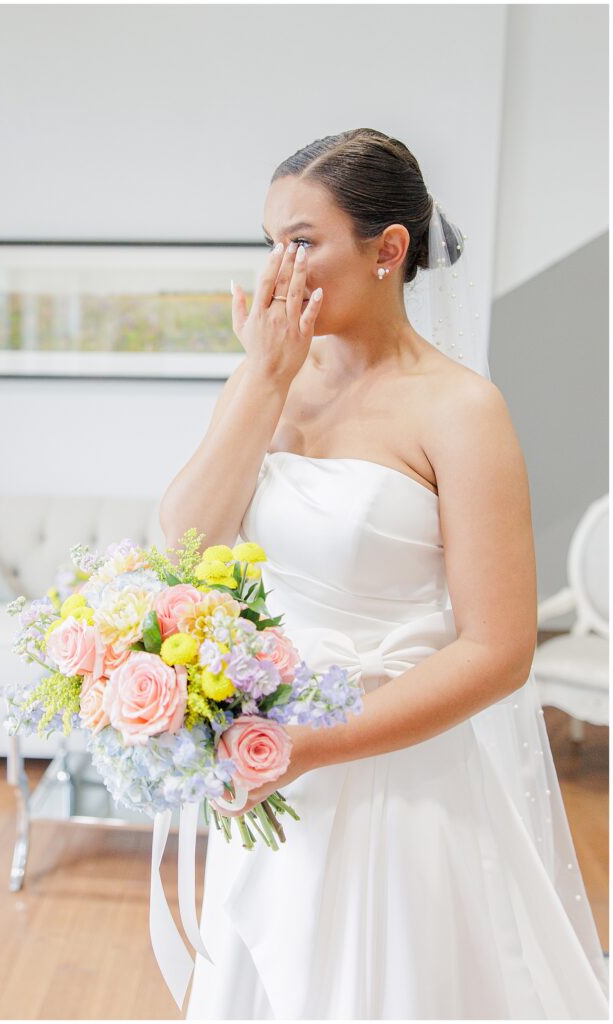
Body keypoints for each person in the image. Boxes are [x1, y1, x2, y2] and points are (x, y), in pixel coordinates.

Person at [159, 129, 609, 1019]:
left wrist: (309, 746)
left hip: (392, 777)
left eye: (300, 241)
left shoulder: (461, 410)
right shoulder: (266, 379)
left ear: (387, 251)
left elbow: (498, 650)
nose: (277, 273)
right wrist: (262, 381)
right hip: (266, 780)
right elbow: (183, 547)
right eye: (268, 243)